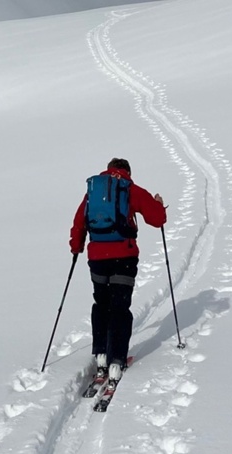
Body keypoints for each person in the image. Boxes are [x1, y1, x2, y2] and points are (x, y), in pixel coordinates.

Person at [70, 158, 167, 383]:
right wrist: (158, 204)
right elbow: (157, 219)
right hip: (124, 257)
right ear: (127, 171)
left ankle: (101, 355)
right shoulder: (130, 189)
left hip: (96, 259)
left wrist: (76, 248)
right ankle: (117, 361)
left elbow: (79, 223)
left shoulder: (92, 192)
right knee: (120, 308)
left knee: (101, 304)